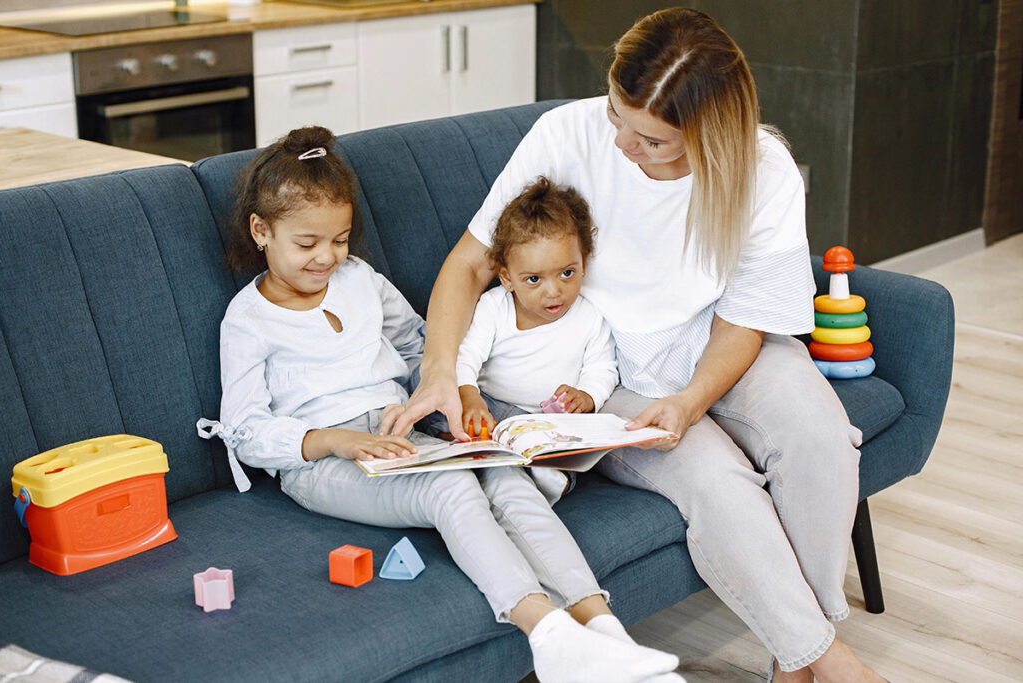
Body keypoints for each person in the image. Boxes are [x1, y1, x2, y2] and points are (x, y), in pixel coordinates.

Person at [384, 8, 886, 683]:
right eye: (619, 115)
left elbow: (742, 324)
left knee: (821, 435)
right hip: (607, 366)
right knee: (715, 480)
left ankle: (794, 658)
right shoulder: (565, 133)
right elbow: (471, 262)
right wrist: (440, 369)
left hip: (721, 347)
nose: (622, 142)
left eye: (651, 140)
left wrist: (690, 399)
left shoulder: (763, 171)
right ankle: (827, 661)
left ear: (710, 136)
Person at [196, 126, 684, 683]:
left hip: (400, 435)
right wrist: (332, 440)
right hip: (320, 461)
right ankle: (549, 636)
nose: (327, 257)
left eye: (340, 239)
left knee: (503, 477)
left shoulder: (361, 280)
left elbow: (421, 349)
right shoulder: (248, 318)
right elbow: (245, 431)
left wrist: (447, 405)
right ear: (261, 230)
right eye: (307, 244)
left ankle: (604, 633)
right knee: (449, 485)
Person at [436, 176, 618, 504]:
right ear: (506, 277)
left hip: (543, 421)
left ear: (584, 263)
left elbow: (603, 368)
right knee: (442, 409)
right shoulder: (494, 307)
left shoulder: (590, 316)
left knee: (566, 451)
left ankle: (539, 473)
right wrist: (469, 396)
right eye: (533, 279)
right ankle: (466, 448)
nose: (554, 291)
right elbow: (466, 356)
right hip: (489, 402)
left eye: (567, 273)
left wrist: (588, 396)